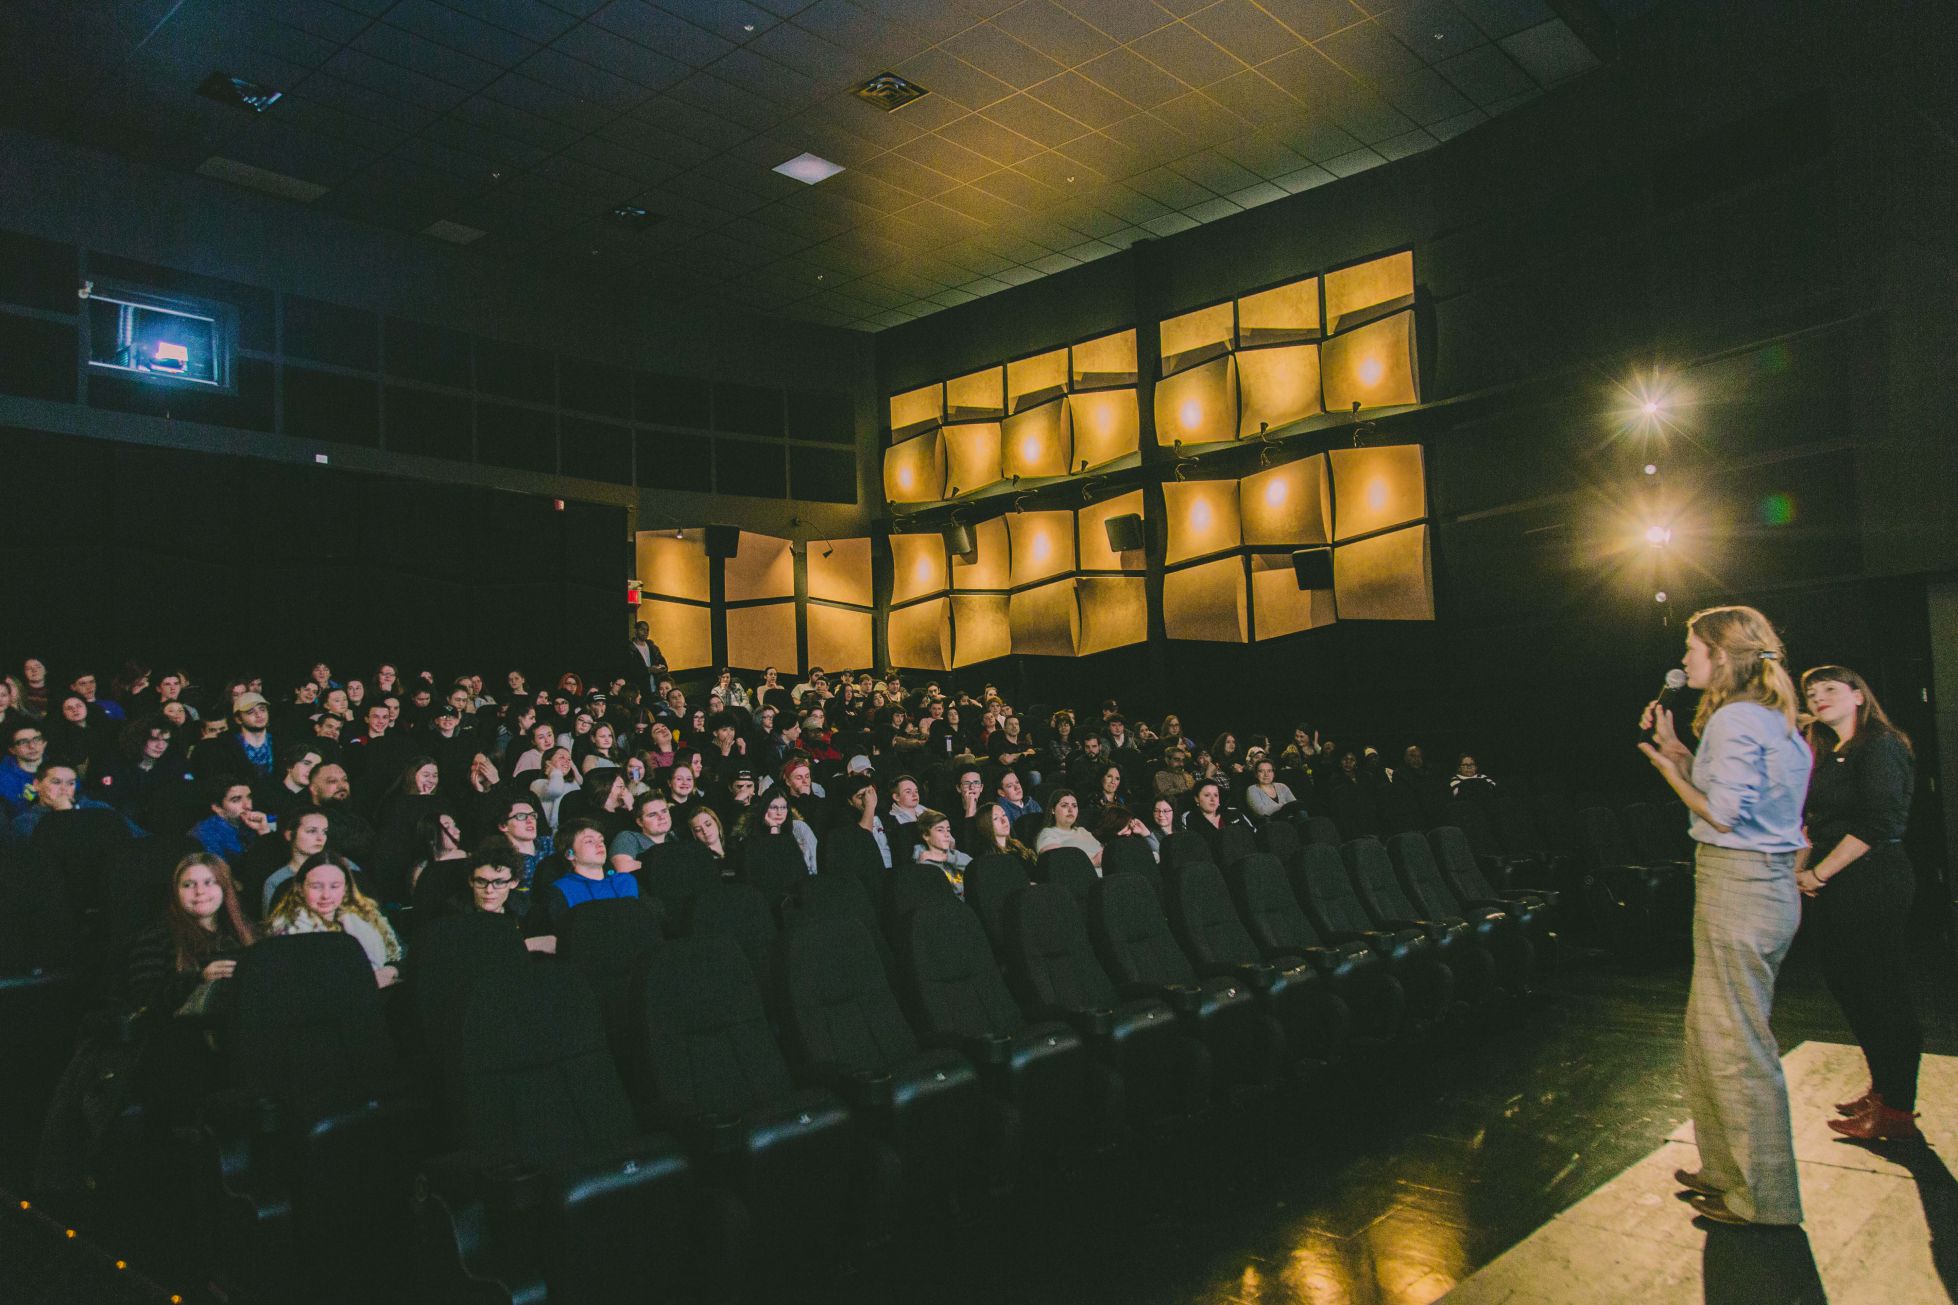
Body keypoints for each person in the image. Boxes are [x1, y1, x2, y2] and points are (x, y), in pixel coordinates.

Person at [1638, 604, 1812, 1227]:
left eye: (1693, 649)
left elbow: (1724, 816)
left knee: (1738, 1046)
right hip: (1752, 885)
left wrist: (1666, 772)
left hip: (1739, 885)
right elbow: (1728, 798)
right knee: (1710, 1033)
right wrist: (1680, 752)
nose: (1685, 660)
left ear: (1722, 655)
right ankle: (1725, 1171)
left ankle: (1765, 1200)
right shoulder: (1768, 716)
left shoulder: (1738, 718)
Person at [1795, 665, 1923, 1141]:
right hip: (1834, 881)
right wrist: (1799, 873)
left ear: (1858, 697)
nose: (1818, 696)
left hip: (1871, 880)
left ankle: (1897, 1112)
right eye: (1812, 691)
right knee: (1850, 985)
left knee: (1881, 990)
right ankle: (1885, 1090)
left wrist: (1818, 874)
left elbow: (1879, 824)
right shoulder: (1829, 755)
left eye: (1830, 688)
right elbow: (1812, 821)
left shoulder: (1882, 746)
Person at [125, 853, 255, 1014]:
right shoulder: (155, 937)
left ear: (224, 887)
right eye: (188, 885)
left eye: (209, 883)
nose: (200, 891)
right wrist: (200, 979)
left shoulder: (246, 932)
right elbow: (143, 1000)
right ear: (176, 892)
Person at [266, 853, 404, 989]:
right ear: (300, 889)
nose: (326, 895)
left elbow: (402, 957)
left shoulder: (365, 916)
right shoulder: (288, 931)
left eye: (334, 886)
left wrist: (389, 970)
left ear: (345, 889)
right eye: (316, 886)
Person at [529, 819, 640, 939]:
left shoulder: (625, 881)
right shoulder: (560, 890)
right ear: (570, 854)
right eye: (589, 841)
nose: (599, 844)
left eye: (601, 839)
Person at [257, 806, 332, 915]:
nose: (320, 838)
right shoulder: (276, 881)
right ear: (289, 835)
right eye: (311, 831)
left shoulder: (344, 868)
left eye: (324, 832)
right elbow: (272, 925)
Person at [190, 778, 271, 861]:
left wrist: (264, 831)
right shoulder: (206, 834)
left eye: (249, 797)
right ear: (217, 808)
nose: (248, 806)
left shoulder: (247, 825)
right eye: (236, 800)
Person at [1033, 790, 1103, 868]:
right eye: (1064, 805)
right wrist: (1093, 862)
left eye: (1074, 806)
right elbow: (1057, 864)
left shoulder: (1082, 830)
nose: (1070, 810)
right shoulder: (1047, 833)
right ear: (1053, 810)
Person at [912, 809, 971, 896]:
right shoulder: (924, 862)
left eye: (948, 830)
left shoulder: (953, 854)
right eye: (940, 830)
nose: (947, 835)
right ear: (926, 835)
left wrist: (946, 858)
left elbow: (975, 867)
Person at [1242, 758, 1302, 823]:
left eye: (1269, 771)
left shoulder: (1282, 786)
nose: (1266, 775)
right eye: (1261, 771)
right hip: (1269, 826)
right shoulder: (1252, 790)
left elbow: (1295, 805)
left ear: (1273, 773)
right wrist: (1286, 807)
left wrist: (1287, 808)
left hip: (1290, 822)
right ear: (1256, 774)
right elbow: (1262, 811)